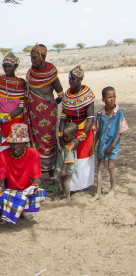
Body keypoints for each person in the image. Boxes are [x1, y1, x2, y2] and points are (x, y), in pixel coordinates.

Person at [0, 122, 47, 224]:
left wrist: (34, 187)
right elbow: (0, 181)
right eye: (13, 143)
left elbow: (37, 178)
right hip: (8, 190)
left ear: (26, 144)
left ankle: (20, 210)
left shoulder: (33, 153)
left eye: (19, 143)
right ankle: (4, 211)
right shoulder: (2, 156)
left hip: (25, 189)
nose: (15, 147)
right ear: (9, 143)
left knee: (40, 193)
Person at [24, 44, 63, 176]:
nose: (32, 60)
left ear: (42, 57)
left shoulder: (51, 73)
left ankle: (51, 175)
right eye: (31, 57)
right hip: (34, 116)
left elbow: (60, 93)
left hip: (48, 115)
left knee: (48, 141)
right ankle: (36, 173)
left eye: (34, 57)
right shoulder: (31, 73)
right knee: (34, 141)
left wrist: (50, 104)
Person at [58, 66, 95, 194]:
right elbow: (63, 117)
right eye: (69, 79)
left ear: (80, 79)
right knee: (68, 158)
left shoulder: (87, 95)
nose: (71, 81)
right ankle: (69, 188)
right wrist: (61, 134)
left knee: (82, 159)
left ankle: (81, 188)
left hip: (84, 131)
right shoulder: (67, 96)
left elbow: (90, 119)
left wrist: (80, 138)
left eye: (73, 79)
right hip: (69, 131)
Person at [93, 86, 128, 200]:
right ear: (103, 99)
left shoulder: (119, 113)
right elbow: (97, 131)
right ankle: (98, 192)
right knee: (100, 166)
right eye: (109, 97)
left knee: (111, 166)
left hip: (113, 144)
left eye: (114, 97)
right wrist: (93, 145)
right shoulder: (100, 114)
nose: (112, 99)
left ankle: (112, 188)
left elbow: (121, 131)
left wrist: (112, 146)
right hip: (102, 143)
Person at [0, 52, 25, 150]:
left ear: (15, 66)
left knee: (16, 149)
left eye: (9, 66)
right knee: (0, 150)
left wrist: (5, 118)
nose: (6, 69)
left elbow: (21, 107)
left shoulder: (21, 83)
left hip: (15, 122)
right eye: (4, 66)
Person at [54, 122, 78, 202]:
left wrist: (64, 169)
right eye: (64, 136)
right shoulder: (66, 143)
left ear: (72, 136)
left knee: (66, 181)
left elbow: (68, 159)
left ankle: (68, 197)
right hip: (64, 165)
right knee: (62, 179)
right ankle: (64, 193)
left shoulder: (70, 147)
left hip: (68, 166)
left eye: (66, 137)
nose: (64, 138)